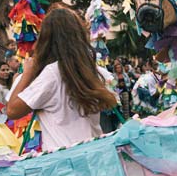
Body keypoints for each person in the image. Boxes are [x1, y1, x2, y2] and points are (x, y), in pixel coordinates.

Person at [7, 8, 118, 151]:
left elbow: (12, 110)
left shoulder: (51, 74)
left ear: (46, 38)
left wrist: (27, 74)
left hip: (64, 160)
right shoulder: (90, 69)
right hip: (94, 154)